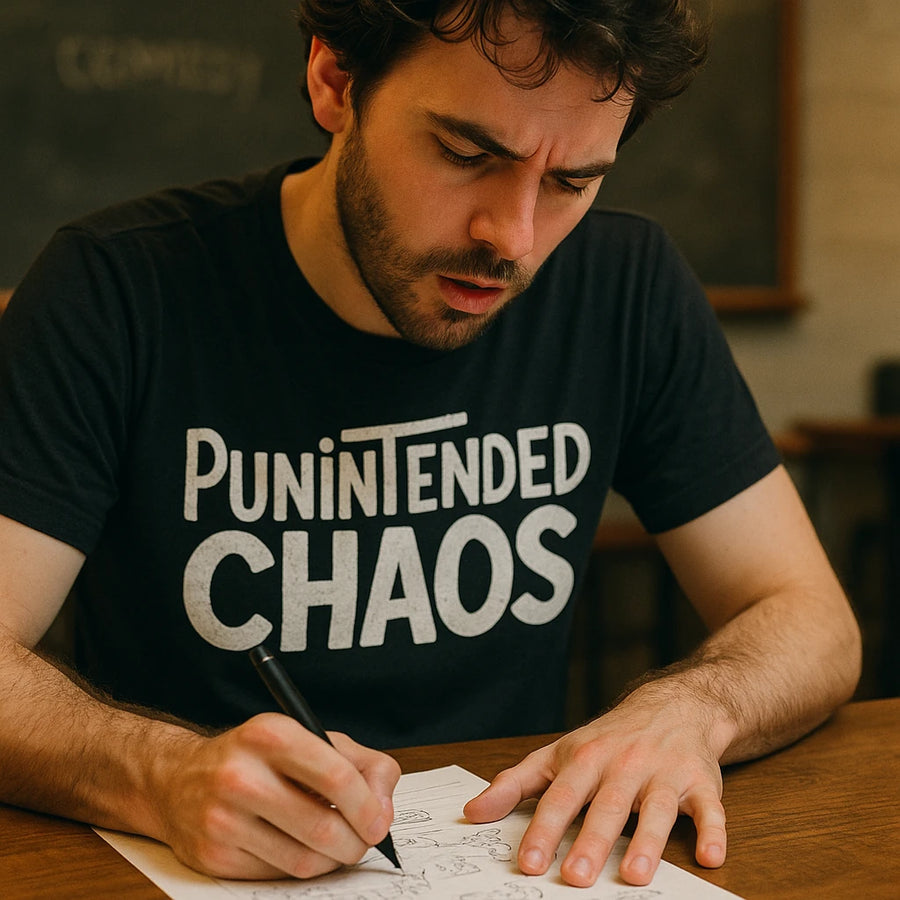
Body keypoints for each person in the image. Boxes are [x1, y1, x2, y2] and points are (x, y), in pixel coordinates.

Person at [0, 0, 861, 890]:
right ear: (335, 81)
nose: (513, 239)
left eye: (572, 181)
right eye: (465, 154)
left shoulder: (623, 287)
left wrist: (692, 708)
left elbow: (809, 617)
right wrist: (154, 774)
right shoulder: (116, 292)